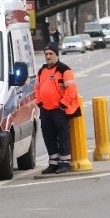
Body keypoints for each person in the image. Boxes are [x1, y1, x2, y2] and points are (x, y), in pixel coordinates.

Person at [35, 42, 79, 174]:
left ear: (56, 55)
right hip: (45, 110)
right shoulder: (42, 71)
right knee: (49, 137)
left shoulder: (64, 70)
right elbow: (37, 88)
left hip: (59, 110)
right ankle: (53, 163)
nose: (48, 56)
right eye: (46, 54)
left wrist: (63, 104)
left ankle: (64, 163)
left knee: (62, 137)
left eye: (51, 54)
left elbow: (71, 90)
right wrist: (39, 102)